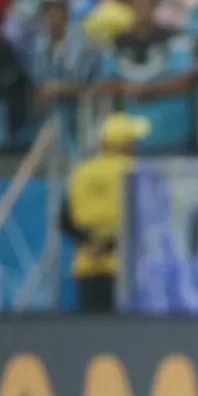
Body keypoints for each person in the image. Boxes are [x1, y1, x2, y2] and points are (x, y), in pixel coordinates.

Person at [60, 112, 145, 314]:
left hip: (86, 263)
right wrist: (107, 245)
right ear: (126, 143)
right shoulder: (133, 172)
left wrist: (90, 245)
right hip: (122, 265)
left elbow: (64, 220)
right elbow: (140, 219)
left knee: (91, 334)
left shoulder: (80, 171)